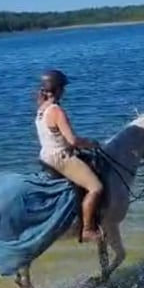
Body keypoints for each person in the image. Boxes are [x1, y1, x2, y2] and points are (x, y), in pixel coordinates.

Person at [35, 69, 103, 243]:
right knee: (96, 187)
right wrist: (91, 143)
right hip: (60, 158)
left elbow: (54, 136)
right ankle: (87, 230)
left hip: (45, 156)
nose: (64, 91)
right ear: (58, 89)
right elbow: (72, 140)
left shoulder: (41, 108)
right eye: (63, 88)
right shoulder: (56, 111)